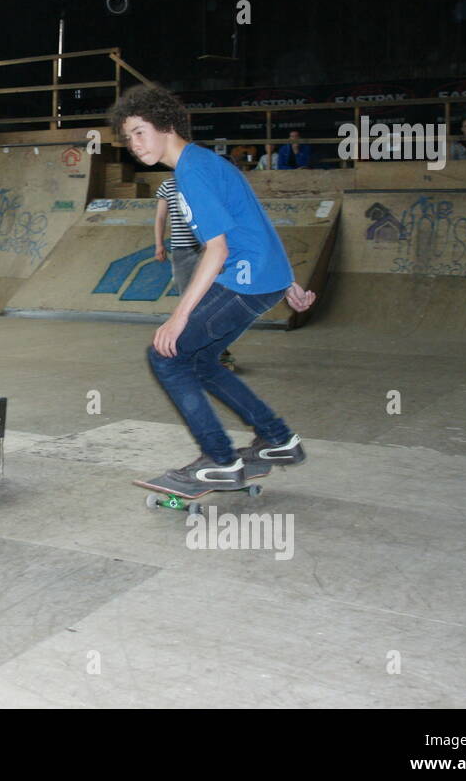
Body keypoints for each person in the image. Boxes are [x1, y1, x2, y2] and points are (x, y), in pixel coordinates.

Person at [109, 83, 315, 487]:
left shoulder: (193, 170)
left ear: (166, 125)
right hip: (263, 278)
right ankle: (277, 438)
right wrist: (286, 279)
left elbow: (217, 250)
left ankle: (220, 460)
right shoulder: (204, 162)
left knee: (165, 355)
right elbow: (255, 219)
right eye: (127, 138)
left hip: (245, 278)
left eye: (139, 132)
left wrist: (177, 317)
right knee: (201, 361)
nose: (133, 145)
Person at [156, 178, 236, 370]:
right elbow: (160, 217)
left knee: (212, 301)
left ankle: (219, 352)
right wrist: (159, 244)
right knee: (188, 302)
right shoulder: (167, 185)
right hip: (181, 250)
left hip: (208, 249)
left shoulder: (205, 181)